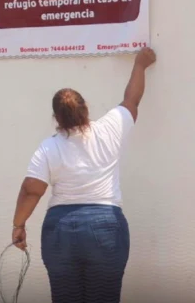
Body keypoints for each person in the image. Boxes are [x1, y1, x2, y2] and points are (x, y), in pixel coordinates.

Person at [10, 47, 157, 303]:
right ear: (86, 108)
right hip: (106, 226)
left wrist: (18, 225)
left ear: (56, 118)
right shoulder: (110, 128)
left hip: (60, 230)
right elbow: (131, 100)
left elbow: (31, 189)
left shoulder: (49, 147)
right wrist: (140, 64)